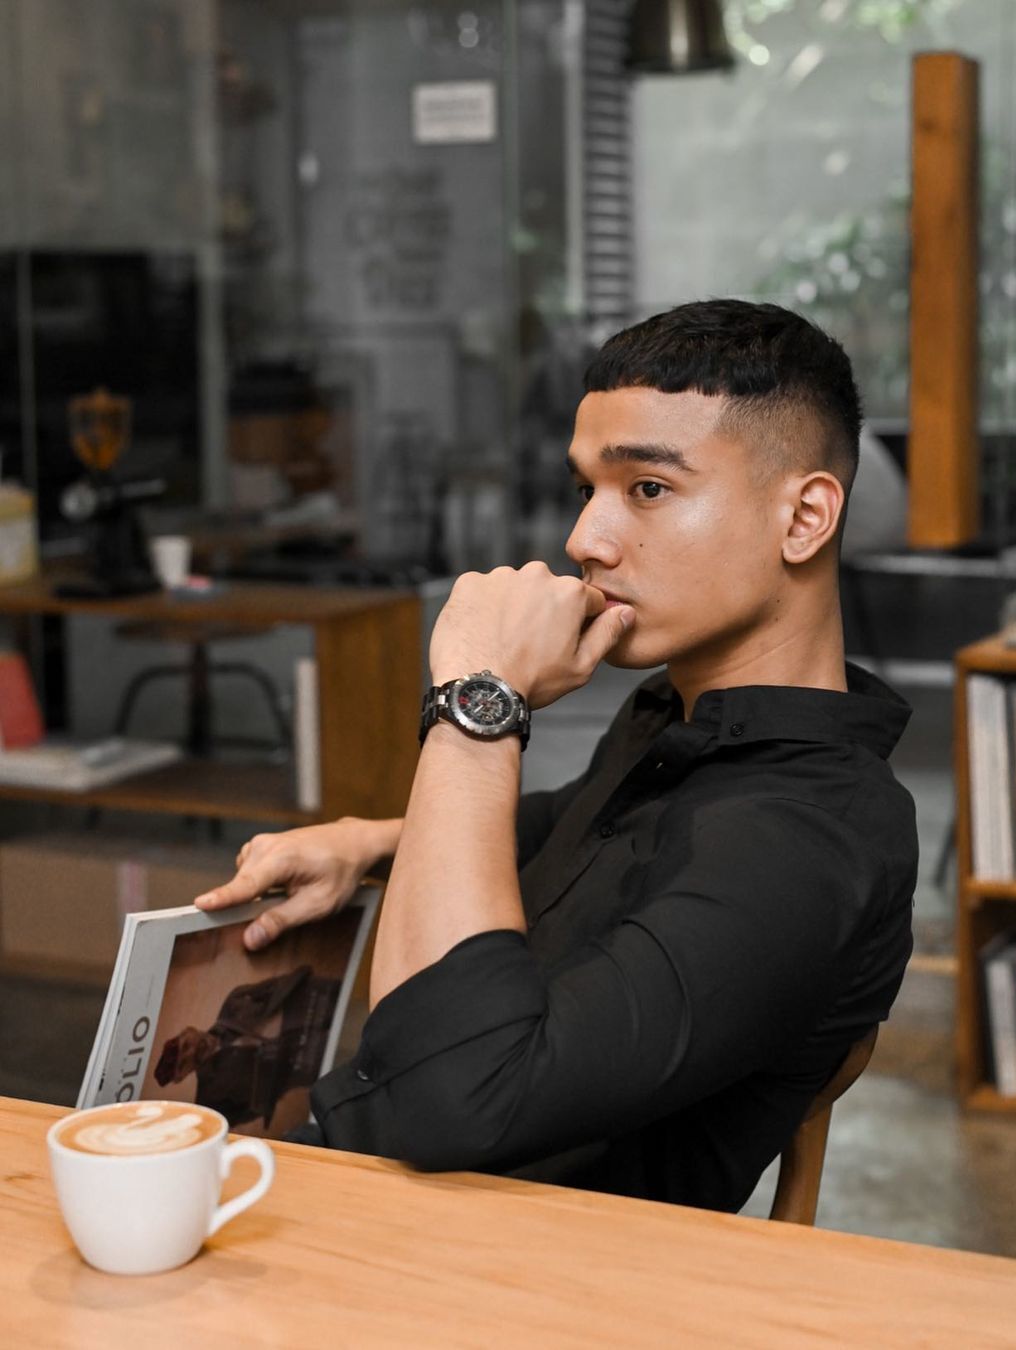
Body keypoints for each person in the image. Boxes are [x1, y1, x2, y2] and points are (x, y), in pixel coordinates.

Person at [195, 299, 918, 1213]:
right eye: (588, 490)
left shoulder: (811, 840)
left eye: (647, 489)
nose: (586, 540)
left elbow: (452, 1103)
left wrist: (476, 701)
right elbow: (574, 828)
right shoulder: (681, 714)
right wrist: (367, 844)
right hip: (357, 1170)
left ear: (805, 518)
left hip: (485, 1266)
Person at [152, 966, 339, 1130]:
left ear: (188, 1030)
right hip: (317, 1063)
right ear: (181, 1077)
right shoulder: (211, 1100)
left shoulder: (235, 1002)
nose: (192, 1053)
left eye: (186, 1045)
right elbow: (251, 1111)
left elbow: (281, 985)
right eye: (184, 1063)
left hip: (325, 1005)